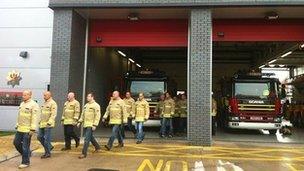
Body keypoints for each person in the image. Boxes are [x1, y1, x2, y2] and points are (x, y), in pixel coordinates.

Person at [14, 90, 39, 169]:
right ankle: (27, 154)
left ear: (30, 95)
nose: (23, 96)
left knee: (25, 146)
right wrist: (17, 124)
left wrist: (33, 129)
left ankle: (25, 162)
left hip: (28, 129)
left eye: (25, 95)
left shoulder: (34, 105)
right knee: (16, 143)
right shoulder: (22, 104)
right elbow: (20, 115)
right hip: (20, 128)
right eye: (23, 95)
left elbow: (35, 117)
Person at [77, 93, 101, 159]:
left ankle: (83, 153)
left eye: (88, 96)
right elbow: (82, 115)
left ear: (92, 97)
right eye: (87, 96)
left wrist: (95, 125)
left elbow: (97, 116)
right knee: (90, 138)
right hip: (85, 124)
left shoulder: (96, 105)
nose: (87, 97)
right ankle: (97, 147)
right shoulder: (86, 105)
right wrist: (80, 121)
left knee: (86, 139)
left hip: (91, 125)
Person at [37, 91, 57, 159]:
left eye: (45, 95)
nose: (44, 97)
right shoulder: (44, 103)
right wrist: (39, 121)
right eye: (44, 95)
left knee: (46, 140)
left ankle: (47, 153)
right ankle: (50, 146)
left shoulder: (53, 103)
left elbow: (53, 114)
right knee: (39, 137)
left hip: (48, 124)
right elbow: (41, 113)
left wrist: (49, 122)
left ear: (49, 95)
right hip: (42, 123)